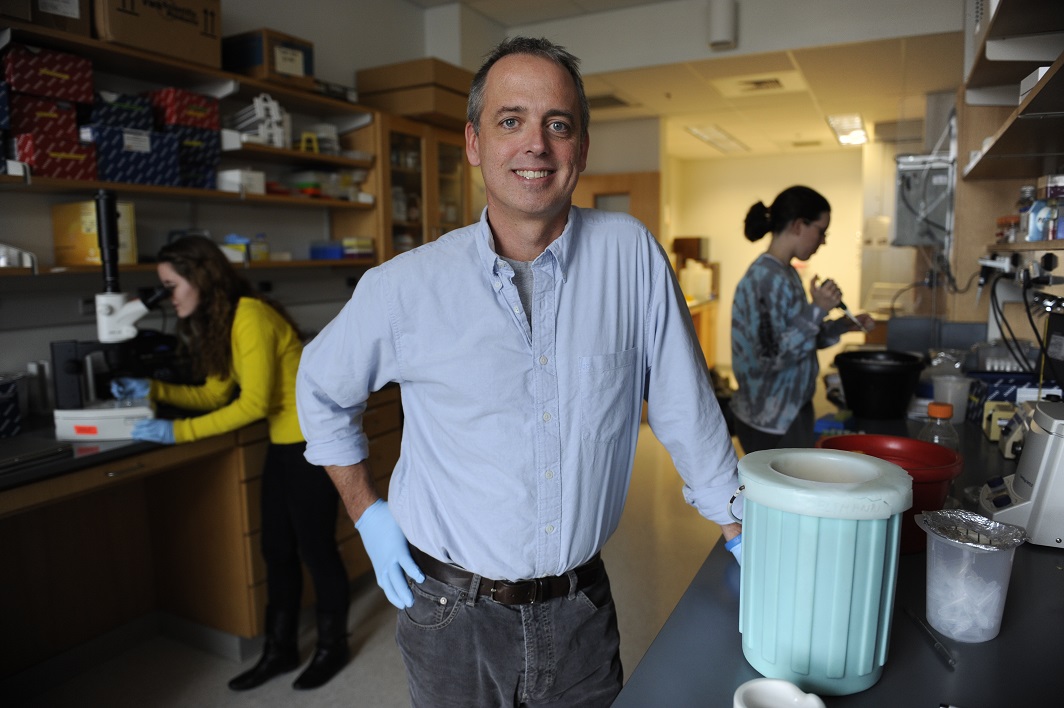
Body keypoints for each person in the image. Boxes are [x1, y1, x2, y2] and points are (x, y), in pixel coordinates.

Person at [295, 36, 741, 708]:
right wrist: (367, 512)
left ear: (581, 149)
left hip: (581, 608)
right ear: (475, 144)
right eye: (511, 121)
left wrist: (739, 527)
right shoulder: (407, 287)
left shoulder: (629, 258)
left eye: (557, 125)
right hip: (450, 614)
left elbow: (683, 404)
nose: (535, 144)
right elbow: (320, 388)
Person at [110, 235, 351, 692]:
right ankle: (279, 651)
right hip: (284, 445)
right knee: (276, 551)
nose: (164, 296)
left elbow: (253, 404)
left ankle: (332, 646)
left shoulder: (251, 317)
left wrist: (176, 431)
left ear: (199, 276)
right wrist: (154, 392)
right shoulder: (221, 322)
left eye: (169, 284)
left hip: (314, 443)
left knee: (316, 550)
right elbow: (215, 393)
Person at [729, 186, 874, 454]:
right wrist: (816, 309)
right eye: (821, 231)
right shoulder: (764, 279)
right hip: (769, 419)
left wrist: (843, 325)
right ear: (798, 225)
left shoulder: (787, 274)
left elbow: (801, 339)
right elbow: (771, 357)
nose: (823, 241)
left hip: (790, 410)